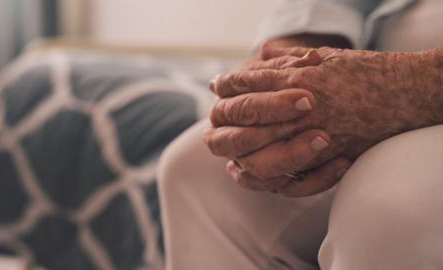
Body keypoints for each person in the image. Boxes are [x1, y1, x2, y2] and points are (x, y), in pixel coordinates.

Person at [158, 0, 443, 269]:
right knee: (198, 170)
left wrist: (415, 84)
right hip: (391, 42)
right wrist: (291, 59)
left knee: (388, 210)